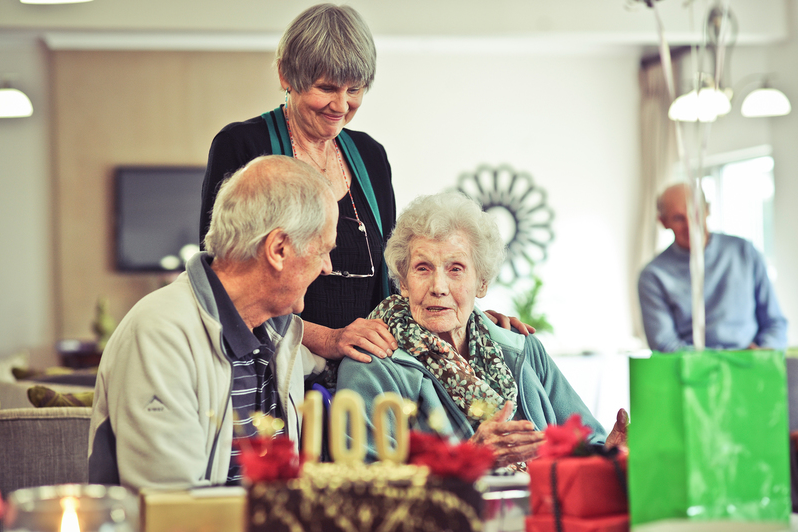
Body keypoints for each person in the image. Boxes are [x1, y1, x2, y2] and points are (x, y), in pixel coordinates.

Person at [201, 3, 530, 368]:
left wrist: (474, 322)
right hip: (276, 371)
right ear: (285, 76)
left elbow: (400, 280)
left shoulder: (370, 156)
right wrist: (328, 338)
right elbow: (225, 284)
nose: (341, 105)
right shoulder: (243, 146)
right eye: (326, 88)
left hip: (369, 373)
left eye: (354, 89)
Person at [89, 156, 337, 491]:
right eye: (323, 250)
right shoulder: (160, 336)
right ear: (278, 249)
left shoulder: (277, 333)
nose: (327, 267)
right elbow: (171, 507)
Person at [336, 192, 628, 467]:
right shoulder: (371, 367)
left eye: (456, 269)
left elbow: (590, 441)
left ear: (482, 283)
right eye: (423, 268)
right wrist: (470, 459)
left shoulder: (524, 351)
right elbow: (366, 489)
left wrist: (610, 453)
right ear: (403, 281)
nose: (438, 287)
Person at [638, 182, 788, 352]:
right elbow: (664, 345)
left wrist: (764, 351)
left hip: (753, 366)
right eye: (678, 218)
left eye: (695, 213)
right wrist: (726, 361)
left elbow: (775, 323)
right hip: (692, 373)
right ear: (663, 222)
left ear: (707, 210)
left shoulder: (744, 252)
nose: (690, 225)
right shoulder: (653, 275)